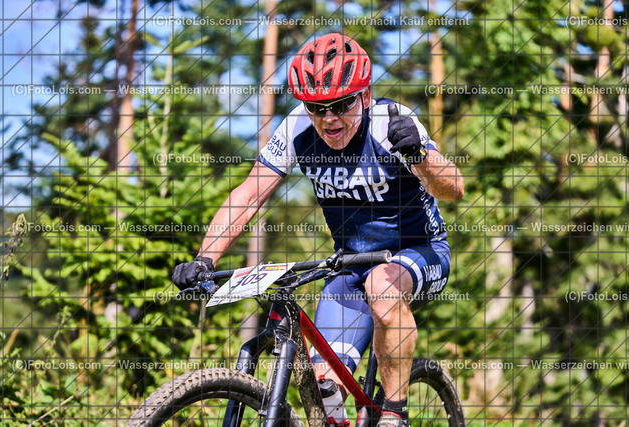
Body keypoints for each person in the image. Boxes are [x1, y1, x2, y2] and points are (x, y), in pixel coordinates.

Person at [172, 33, 464, 427]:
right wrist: (205, 258)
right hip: (351, 264)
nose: (329, 119)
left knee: (382, 288)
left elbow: (454, 188)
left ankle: (395, 413)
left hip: (420, 251)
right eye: (316, 107)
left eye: (342, 105)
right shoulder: (296, 127)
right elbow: (250, 192)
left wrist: (420, 155)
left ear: (365, 95)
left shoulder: (391, 122)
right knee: (324, 391)